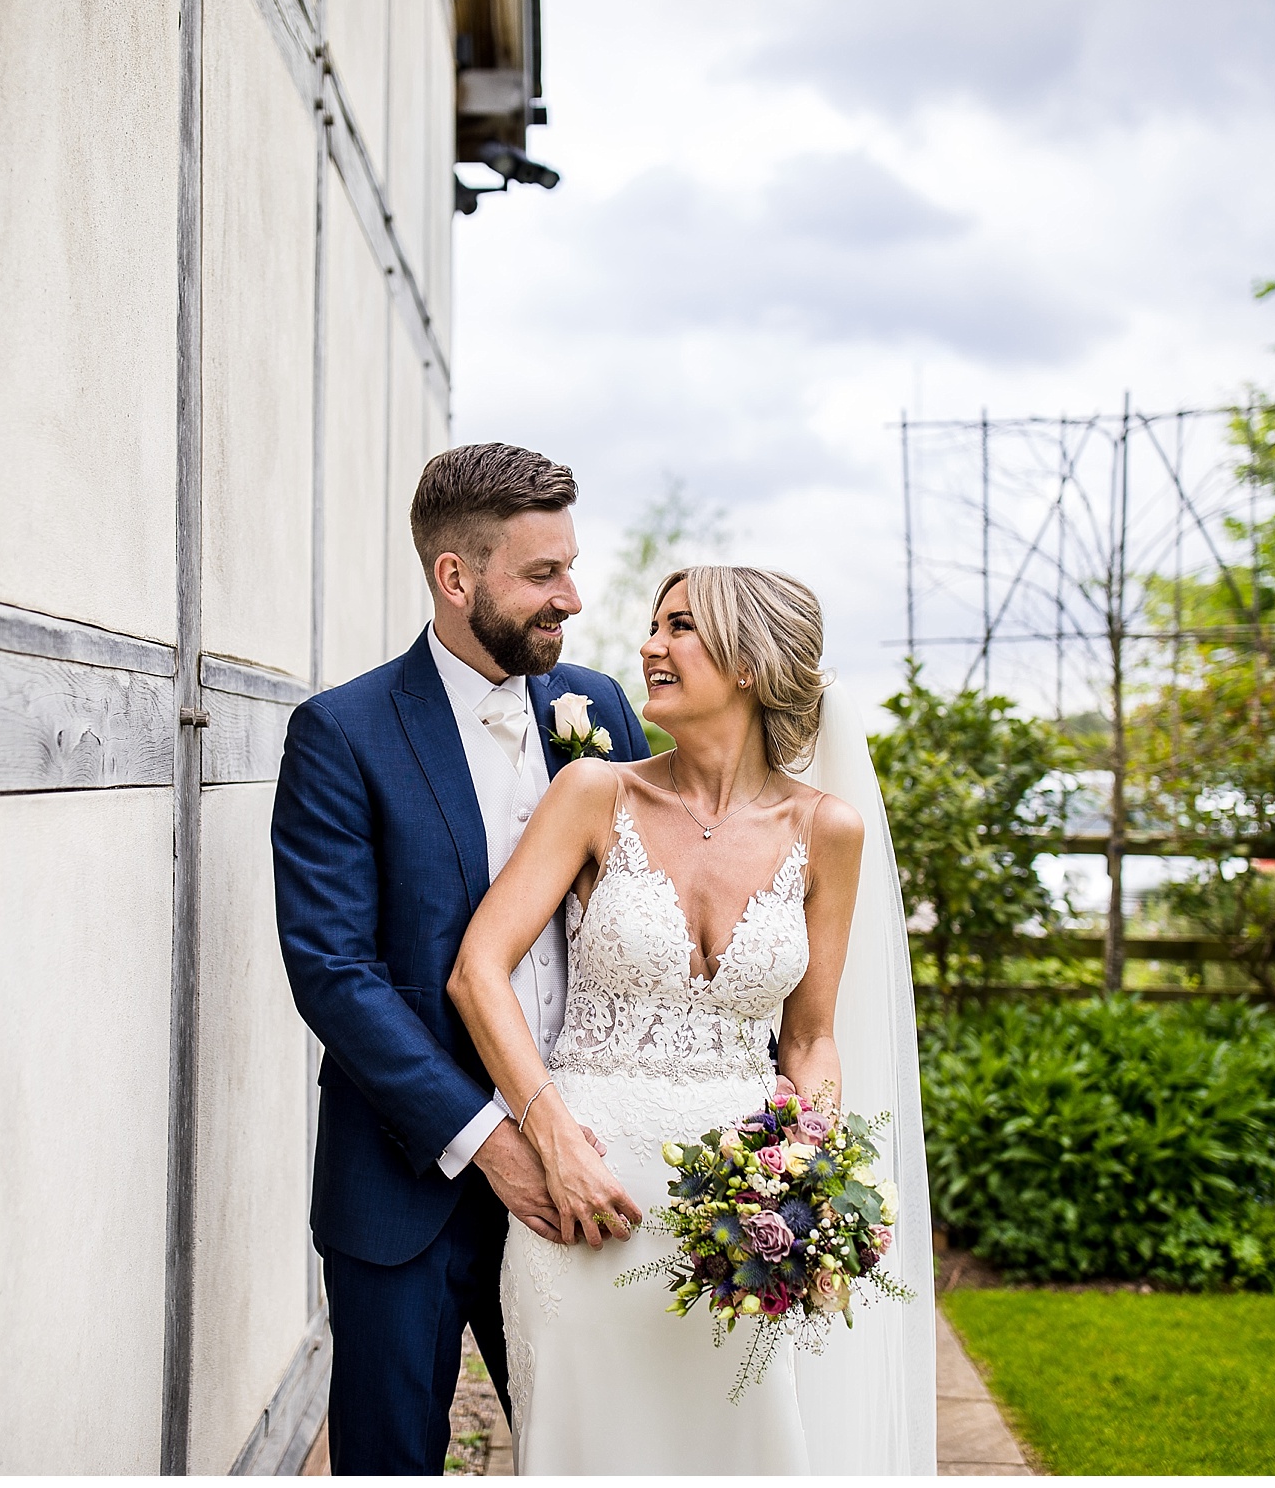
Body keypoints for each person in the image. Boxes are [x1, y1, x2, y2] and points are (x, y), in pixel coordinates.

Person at [444, 565, 937, 1473]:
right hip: (585, 1201)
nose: (649, 647)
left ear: (748, 663)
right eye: (653, 627)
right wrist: (550, 1136)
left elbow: (810, 1037)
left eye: (680, 628)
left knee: (745, 1452)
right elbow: (479, 972)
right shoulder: (596, 793)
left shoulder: (828, 828)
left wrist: (806, 1177)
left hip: (743, 1227)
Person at [272, 443, 651, 1475]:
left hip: (595, 1159)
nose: (570, 597)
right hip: (407, 1181)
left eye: (570, 566)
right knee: (392, 1457)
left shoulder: (598, 711)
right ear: (456, 577)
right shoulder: (341, 733)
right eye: (541, 575)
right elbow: (333, 971)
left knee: (599, 1451)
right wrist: (491, 1139)